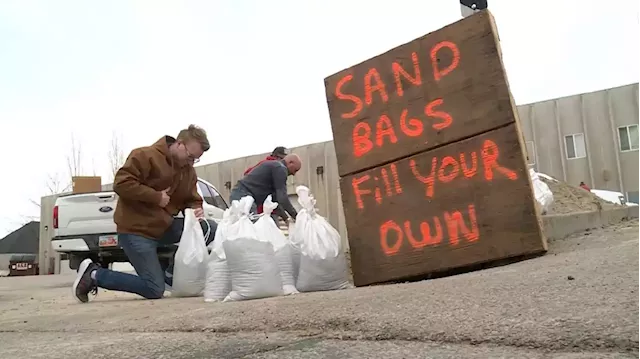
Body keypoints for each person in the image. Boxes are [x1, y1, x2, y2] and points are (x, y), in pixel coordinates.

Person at [72, 125, 218, 303]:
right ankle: (94, 274)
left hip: (164, 227)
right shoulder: (144, 155)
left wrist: (196, 208)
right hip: (136, 231)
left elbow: (192, 198)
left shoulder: (187, 172)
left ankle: (171, 273)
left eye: (195, 160)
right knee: (154, 289)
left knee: (209, 228)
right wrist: (155, 197)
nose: (191, 163)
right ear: (180, 144)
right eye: (190, 157)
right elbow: (121, 183)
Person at [229, 153, 301, 223]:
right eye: (295, 170)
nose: (294, 174)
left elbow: (275, 201)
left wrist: (286, 218)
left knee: (250, 227)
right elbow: (282, 198)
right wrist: (297, 217)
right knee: (253, 227)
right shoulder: (280, 168)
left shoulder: (274, 167)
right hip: (244, 196)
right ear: (290, 162)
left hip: (239, 194)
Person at [243, 146, 289, 215]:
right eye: (283, 159)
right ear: (278, 157)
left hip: (270, 208)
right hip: (264, 209)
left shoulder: (267, 164)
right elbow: (247, 173)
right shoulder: (271, 165)